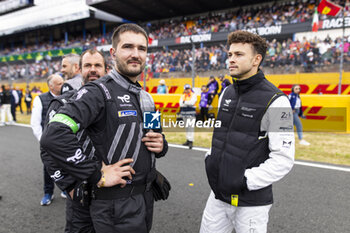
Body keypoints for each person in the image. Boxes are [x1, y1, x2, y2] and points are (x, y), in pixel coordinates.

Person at [41, 23, 168, 233]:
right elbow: (53, 136)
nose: (135, 54)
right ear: (113, 53)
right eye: (128, 47)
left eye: (142, 48)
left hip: (144, 201)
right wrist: (94, 176)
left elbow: (157, 138)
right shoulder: (98, 91)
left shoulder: (147, 98)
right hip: (114, 204)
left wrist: (161, 145)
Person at [201, 30, 295, 233]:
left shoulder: (277, 100)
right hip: (217, 194)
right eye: (230, 54)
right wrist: (211, 159)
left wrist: (244, 180)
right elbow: (221, 135)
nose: (231, 60)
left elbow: (284, 159)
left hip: (251, 203)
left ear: (256, 59)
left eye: (239, 54)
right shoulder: (226, 92)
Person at [41, 49, 107, 232]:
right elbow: (47, 151)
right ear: (80, 69)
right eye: (88, 65)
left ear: (107, 70)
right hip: (81, 194)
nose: (93, 70)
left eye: (98, 65)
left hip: (113, 194)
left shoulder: (115, 103)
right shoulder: (62, 103)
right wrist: (68, 185)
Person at [31, 74, 65, 206]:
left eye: (63, 82)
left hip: (65, 141)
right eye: (59, 83)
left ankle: (65, 189)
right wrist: (43, 141)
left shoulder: (68, 96)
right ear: (51, 86)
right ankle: (48, 193)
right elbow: (35, 123)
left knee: (67, 165)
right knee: (49, 168)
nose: (63, 85)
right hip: (49, 142)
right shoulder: (40, 99)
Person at [179, 84, 197, 149]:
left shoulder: (193, 95)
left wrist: (184, 102)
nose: (187, 90)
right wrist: (186, 103)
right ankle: (188, 139)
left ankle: (191, 141)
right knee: (186, 127)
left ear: (190, 88)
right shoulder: (183, 95)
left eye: (188, 88)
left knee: (190, 127)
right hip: (184, 113)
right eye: (186, 89)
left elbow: (192, 103)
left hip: (191, 113)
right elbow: (180, 104)